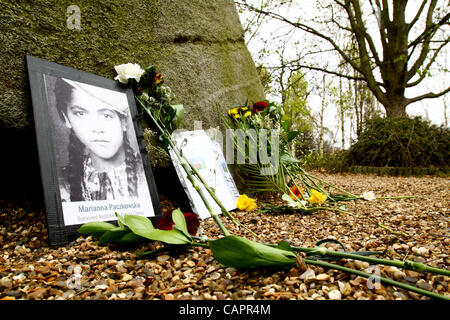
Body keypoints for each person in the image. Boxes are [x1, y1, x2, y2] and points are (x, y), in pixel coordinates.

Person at [53, 77, 147, 202]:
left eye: (106, 115)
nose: (96, 128)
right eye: (80, 114)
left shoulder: (145, 176)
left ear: (124, 121)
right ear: (66, 118)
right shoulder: (61, 185)